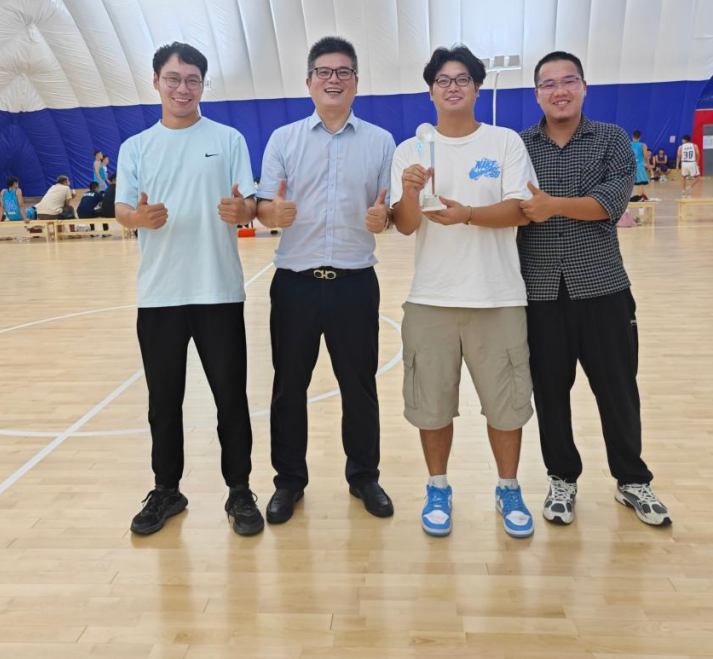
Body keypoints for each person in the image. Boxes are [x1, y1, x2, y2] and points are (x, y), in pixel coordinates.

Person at [115, 41, 264, 537]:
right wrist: (138, 218)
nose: (183, 88)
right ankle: (167, 489)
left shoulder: (228, 139)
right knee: (163, 403)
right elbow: (122, 210)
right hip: (160, 295)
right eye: (174, 78)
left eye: (193, 80)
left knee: (231, 399)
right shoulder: (136, 147)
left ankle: (239, 489)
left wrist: (244, 212)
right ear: (155, 81)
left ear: (203, 85)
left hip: (218, 290)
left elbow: (249, 202)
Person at [391, 45, 538, 539]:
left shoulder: (504, 142)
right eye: (442, 80)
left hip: (497, 297)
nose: (452, 87)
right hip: (431, 297)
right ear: (431, 91)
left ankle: (508, 487)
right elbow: (406, 226)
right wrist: (411, 192)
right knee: (431, 406)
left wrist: (469, 215)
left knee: (507, 405)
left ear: (476, 87)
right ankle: (438, 487)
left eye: (461, 79)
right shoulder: (410, 151)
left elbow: (521, 210)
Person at [518, 51, 671, 528]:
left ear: (584, 87)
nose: (559, 91)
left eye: (569, 81)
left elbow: (610, 203)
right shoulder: (519, 146)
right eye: (548, 84)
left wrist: (550, 206)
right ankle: (561, 478)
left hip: (602, 287)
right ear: (537, 94)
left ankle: (632, 480)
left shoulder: (612, 139)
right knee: (550, 393)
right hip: (540, 292)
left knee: (617, 389)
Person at [254, 36, 396, 525]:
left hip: (355, 283)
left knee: (359, 387)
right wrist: (271, 213)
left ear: (356, 81)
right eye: (324, 72)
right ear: (309, 81)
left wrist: (384, 219)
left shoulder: (380, 141)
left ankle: (364, 476)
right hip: (295, 283)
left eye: (343, 72)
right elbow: (262, 206)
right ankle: (288, 481)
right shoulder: (283, 139)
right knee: (288, 388)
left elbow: (389, 210)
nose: (333, 79)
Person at [630, 131, 651, 199]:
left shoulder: (628, 144)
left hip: (630, 166)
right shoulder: (643, 145)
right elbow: (646, 156)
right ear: (640, 137)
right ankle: (640, 197)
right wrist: (648, 165)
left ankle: (628, 198)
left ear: (632, 136)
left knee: (630, 182)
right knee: (641, 182)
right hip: (639, 165)